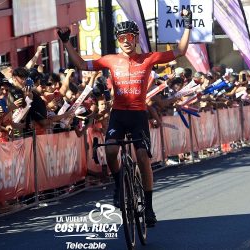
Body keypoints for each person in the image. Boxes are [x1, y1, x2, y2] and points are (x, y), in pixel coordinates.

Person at [57, 9, 192, 227]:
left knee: (141, 157)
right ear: (118, 41)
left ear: (137, 38)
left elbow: (181, 50)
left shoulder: (149, 59)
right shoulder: (111, 60)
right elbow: (82, 65)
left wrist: (187, 25)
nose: (126, 41)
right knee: (110, 151)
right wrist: (66, 43)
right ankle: (120, 182)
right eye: (122, 38)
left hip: (138, 115)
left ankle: (148, 207)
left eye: (130, 37)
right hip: (118, 115)